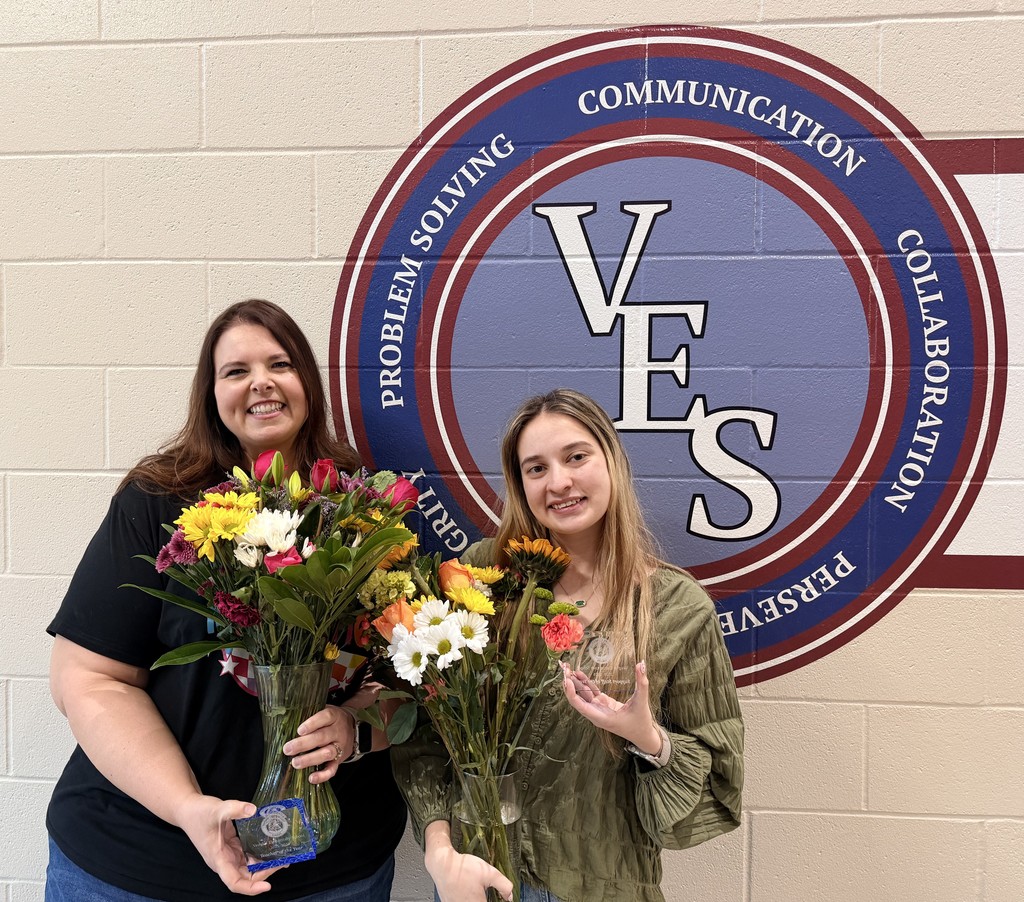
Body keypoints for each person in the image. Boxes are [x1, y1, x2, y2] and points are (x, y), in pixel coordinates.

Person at [45, 300, 406, 901]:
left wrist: (358, 726)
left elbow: (415, 680)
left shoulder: (360, 511)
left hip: (331, 873)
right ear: (212, 395)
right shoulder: (158, 503)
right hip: (142, 866)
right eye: (235, 371)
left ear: (307, 385)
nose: (260, 381)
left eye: (280, 363)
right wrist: (189, 807)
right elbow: (88, 680)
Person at [392, 388, 744, 902]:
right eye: (536, 469)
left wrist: (649, 740)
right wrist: (440, 851)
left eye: (576, 457)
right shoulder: (483, 575)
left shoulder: (675, 608)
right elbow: (425, 730)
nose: (559, 482)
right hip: (484, 881)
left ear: (612, 461)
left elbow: (715, 790)